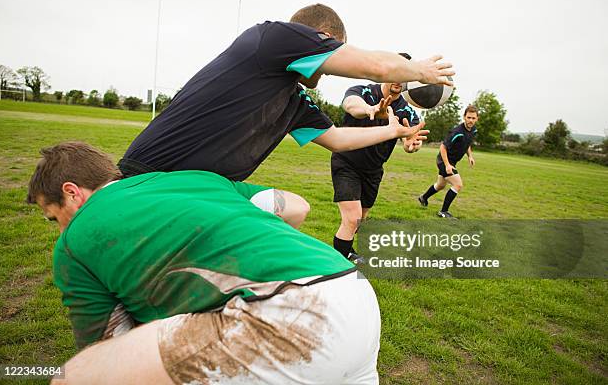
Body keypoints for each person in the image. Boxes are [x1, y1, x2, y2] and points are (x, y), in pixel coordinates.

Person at [28, 142, 381, 385]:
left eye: (52, 216)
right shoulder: (194, 178)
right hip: (354, 291)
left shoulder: (73, 244)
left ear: (73, 193)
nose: (58, 230)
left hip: (289, 313)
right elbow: (296, 206)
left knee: (76, 374)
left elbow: (106, 349)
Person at [119, 3, 453, 229]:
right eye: (333, 48)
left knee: (294, 209)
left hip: (204, 192)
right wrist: (419, 70)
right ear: (319, 37)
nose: (331, 65)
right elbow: (377, 66)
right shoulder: (272, 37)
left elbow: (337, 139)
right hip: (151, 179)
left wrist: (391, 132)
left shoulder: (292, 99)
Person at [332, 62, 425, 262]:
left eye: (405, 75)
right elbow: (350, 104)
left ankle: (345, 251)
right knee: (351, 218)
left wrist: (411, 145)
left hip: (373, 169)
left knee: (359, 221)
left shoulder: (407, 110)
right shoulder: (364, 91)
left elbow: (411, 139)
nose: (399, 79)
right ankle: (336, 268)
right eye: (396, 72)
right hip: (347, 161)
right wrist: (370, 109)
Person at [418, 105, 478, 218]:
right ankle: (443, 211)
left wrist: (470, 156)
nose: (471, 120)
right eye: (469, 117)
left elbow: (467, 143)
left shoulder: (473, 130)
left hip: (451, 162)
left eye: (473, 118)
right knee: (458, 184)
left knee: (440, 185)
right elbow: (443, 147)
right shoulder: (457, 131)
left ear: (477, 119)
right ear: (464, 117)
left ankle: (423, 197)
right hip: (443, 161)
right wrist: (447, 165)